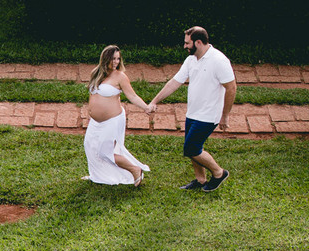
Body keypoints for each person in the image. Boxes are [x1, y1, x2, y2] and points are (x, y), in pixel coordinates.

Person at [149, 26, 236, 191]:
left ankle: (219, 173)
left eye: (187, 43)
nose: (184, 46)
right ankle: (200, 180)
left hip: (209, 115)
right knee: (194, 147)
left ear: (198, 42)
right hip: (193, 112)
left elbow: (231, 88)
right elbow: (175, 82)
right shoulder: (191, 60)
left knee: (191, 148)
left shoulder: (219, 60)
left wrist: (225, 115)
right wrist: (155, 101)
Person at [83, 45, 152, 186]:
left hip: (112, 120)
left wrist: (146, 107)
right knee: (89, 146)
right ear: (105, 58)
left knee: (105, 151)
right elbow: (92, 96)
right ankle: (97, 176)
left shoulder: (120, 76)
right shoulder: (95, 73)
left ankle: (135, 170)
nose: (116, 62)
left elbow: (132, 96)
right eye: (113, 58)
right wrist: (90, 114)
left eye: (118, 59)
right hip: (95, 121)